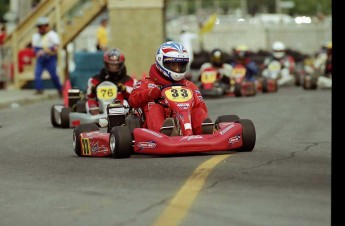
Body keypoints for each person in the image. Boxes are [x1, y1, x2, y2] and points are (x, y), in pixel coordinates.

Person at [128, 41, 212, 135]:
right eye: (173, 65)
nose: (177, 69)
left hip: (186, 123)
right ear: (161, 62)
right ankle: (165, 133)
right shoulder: (146, 83)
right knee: (154, 107)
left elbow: (201, 107)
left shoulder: (189, 85)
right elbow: (132, 99)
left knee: (198, 110)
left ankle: (205, 132)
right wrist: (150, 94)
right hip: (153, 130)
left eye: (180, 66)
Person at [86, 48, 137, 115]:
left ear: (120, 64)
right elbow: (89, 94)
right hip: (100, 107)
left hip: (119, 106)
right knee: (89, 102)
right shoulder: (96, 79)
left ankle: (119, 119)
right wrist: (93, 89)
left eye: (116, 65)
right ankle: (95, 119)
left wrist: (124, 89)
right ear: (106, 64)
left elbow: (134, 94)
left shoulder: (128, 80)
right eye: (111, 64)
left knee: (125, 102)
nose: (113, 67)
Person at [32, 16, 62, 96]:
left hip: (50, 57)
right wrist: (37, 52)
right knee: (37, 73)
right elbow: (35, 48)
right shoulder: (36, 36)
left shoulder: (52, 35)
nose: (41, 29)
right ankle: (39, 89)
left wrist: (45, 51)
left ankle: (60, 89)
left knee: (53, 75)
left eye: (42, 26)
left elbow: (56, 47)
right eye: (39, 27)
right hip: (41, 58)